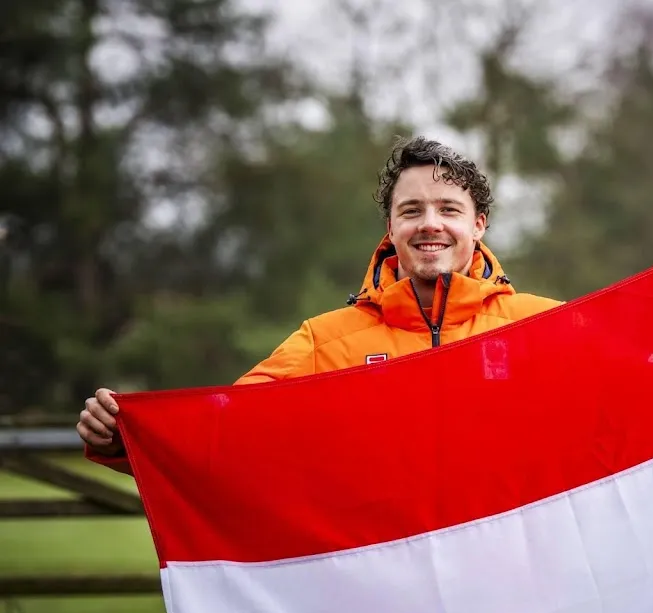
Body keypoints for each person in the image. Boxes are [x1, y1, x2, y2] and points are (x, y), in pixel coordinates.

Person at [77, 137, 563, 475]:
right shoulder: (323, 342)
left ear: (478, 224)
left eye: (448, 209)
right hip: (382, 581)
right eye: (411, 210)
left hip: (507, 577)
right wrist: (128, 439)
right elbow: (227, 433)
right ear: (391, 229)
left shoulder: (545, 327)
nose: (430, 224)